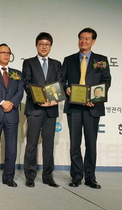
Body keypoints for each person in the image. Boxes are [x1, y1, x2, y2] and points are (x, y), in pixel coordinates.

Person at [61, 28, 111, 189]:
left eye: (87, 39)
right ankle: (76, 176)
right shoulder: (69, 60)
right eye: (81, 38)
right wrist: (66, 88)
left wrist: (95, 99)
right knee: (75, 144)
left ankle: (90, 177)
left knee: (91, 143)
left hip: (92, 108)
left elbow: (106, 81)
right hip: (74, 107)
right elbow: (61, 79)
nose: (83, 41)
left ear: (93, 41)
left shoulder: (101, 60)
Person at [22, 32, 61, 188]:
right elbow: (26, 83)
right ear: (36, 45)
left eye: (47, 44)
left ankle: (48, 176)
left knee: (48, 145)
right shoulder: (28, 63)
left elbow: (60, 84)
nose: (44, 47)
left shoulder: (57, 64)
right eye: (41, 44)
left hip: (51, 109)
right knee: (31, 144)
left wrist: (53, 100)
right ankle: (30, 176)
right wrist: (40, 100)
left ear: (50, 46)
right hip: (35, 108)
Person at [0, 43, 24, 187]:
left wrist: (10, 103)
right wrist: (2, 102)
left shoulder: (17, 73)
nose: (6, 55)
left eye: (8, 53)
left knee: (11, 148)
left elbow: (20, 92)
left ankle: (8, 177)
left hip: (11, 115)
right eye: (3, 52)